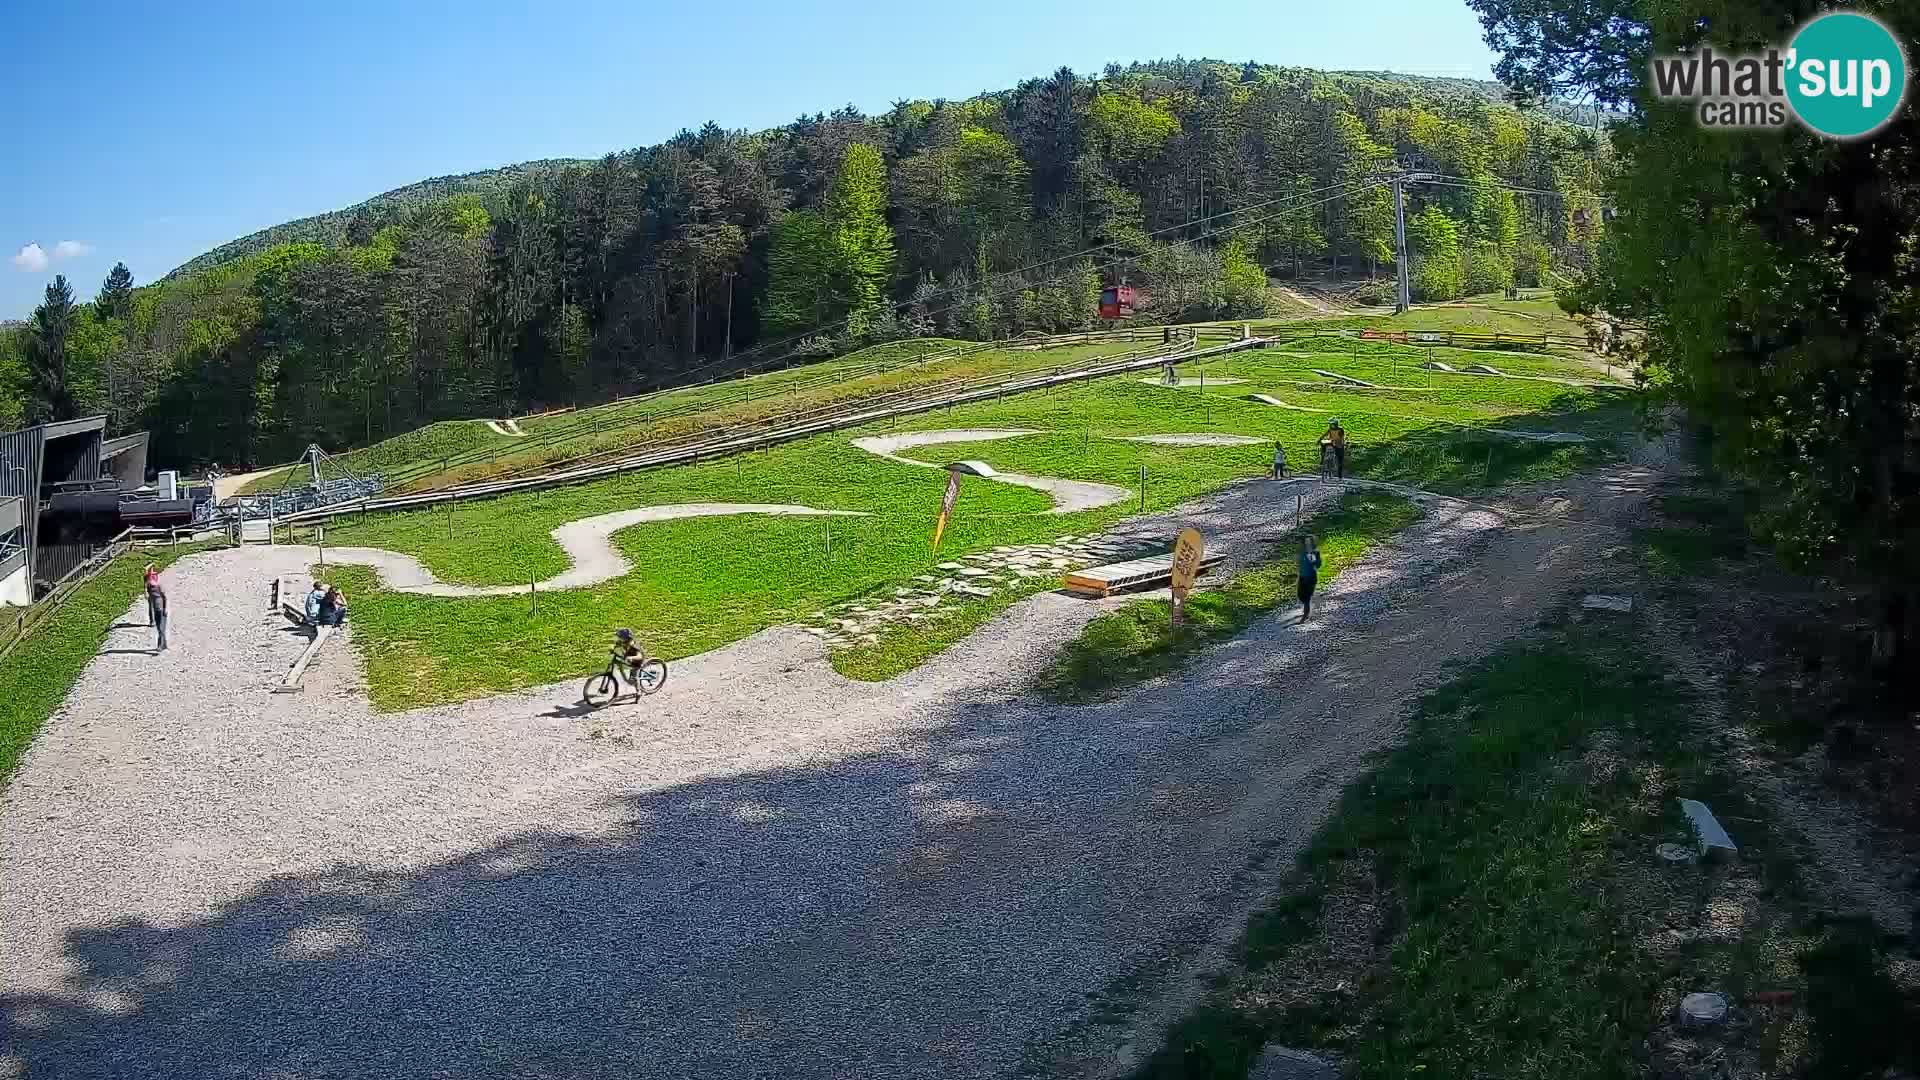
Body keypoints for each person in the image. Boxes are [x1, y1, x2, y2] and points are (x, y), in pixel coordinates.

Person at [1297, 534, 1322, 621]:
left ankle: (1305, 614)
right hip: (1302, 576)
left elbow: (1318, 564)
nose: (1307, 544)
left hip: (1311, 577)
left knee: (1307, 596)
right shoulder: (1302, 552)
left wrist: (1314, 562)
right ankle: (1306, 607)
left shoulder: (1315, 552)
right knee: (1300, 594)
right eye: (1306, 542)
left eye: (1309, 542)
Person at [147, 570, 170, 652]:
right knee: (159, 628)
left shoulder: (159, 587)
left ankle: (160, 645)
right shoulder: (149, 587)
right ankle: (164, 644)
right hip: (156, 609)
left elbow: (164, 598)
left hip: (160, 609)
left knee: (161, 628)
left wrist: (165, 609)